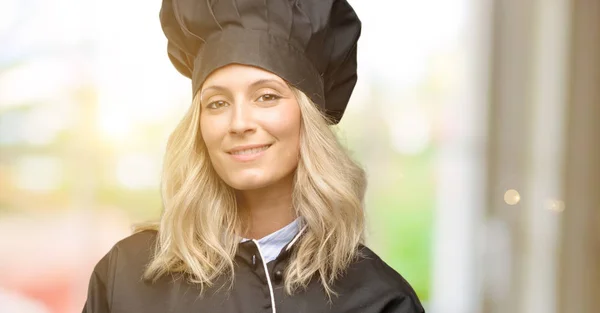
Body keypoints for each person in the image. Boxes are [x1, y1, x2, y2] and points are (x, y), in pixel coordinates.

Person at [82, 0, 425, 312]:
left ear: (308, 120)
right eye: (217, 103)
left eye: (267, 97)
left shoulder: (379, 299)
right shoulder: (124, 279)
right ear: (199, 127)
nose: (240, 123)